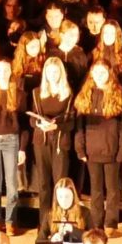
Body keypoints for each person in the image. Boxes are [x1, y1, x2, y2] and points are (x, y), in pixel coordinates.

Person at [75, 57, 122, 230]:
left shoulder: (118, 94)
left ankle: (111, 223)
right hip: (92, 151)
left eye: (103, 72)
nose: (100, 75)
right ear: (91, 73)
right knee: (96, 190)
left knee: (113, 190)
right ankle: (96, 224)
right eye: (96, 72)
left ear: (109, 73)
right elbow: (79, 126)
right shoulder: (85, 95)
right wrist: (80, 149)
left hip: (111, 149)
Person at [29, 57, 76, 223]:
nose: (53, 75)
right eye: (49, 72)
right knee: (43, 184)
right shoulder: (37, 92)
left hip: (59, 142)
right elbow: (32, 119)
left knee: (60, 183)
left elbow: (71, 122)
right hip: (41, 141)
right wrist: (39, 123)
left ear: (61, 73)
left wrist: (56, 126)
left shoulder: (68, 94)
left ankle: (60, 222)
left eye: (56, 72)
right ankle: (44, 223)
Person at [0, 58, 28, 228]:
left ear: (11, 72)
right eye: (0, 70)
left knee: (12, 185)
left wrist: (22, 149)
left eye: (6, 70)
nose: (3, 73)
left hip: (12, 141)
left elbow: (25, 126)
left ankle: (10, 221)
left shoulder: (19, 94)